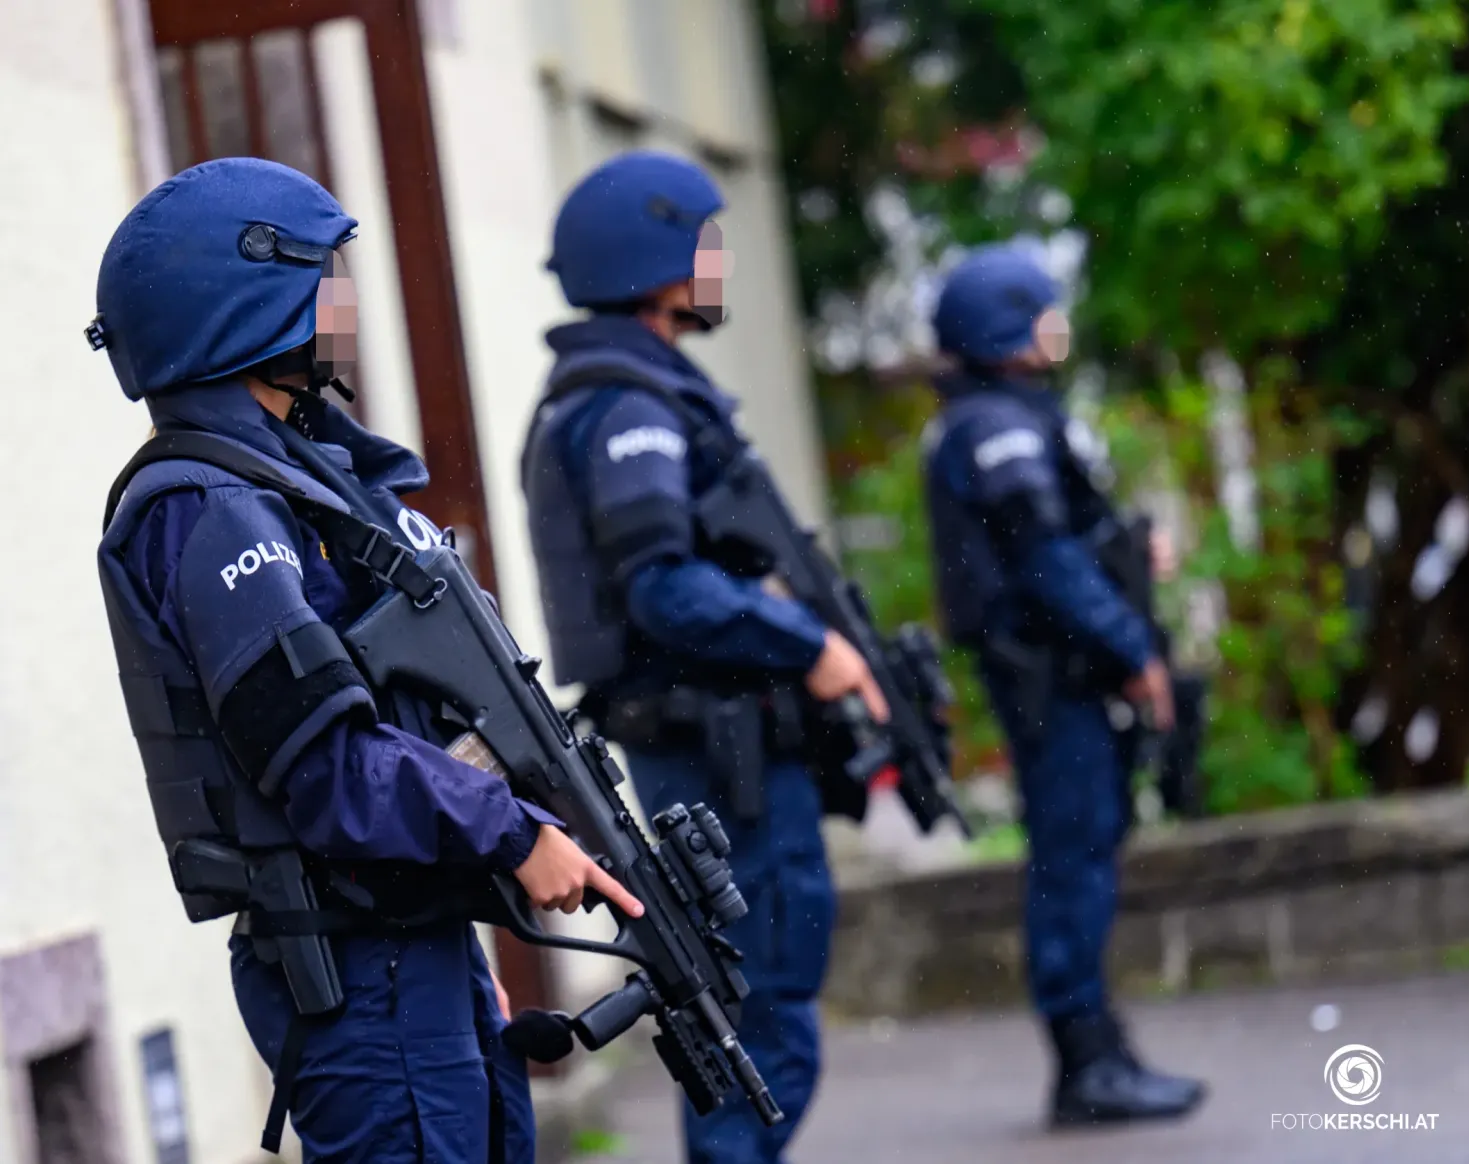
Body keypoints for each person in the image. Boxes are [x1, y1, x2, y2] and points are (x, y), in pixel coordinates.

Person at [91, 157, 643, 1164]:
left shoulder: (294, 479)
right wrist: (512, 833)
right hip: (359, 969)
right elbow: (327, 769)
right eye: (322, 277)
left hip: (407, 949)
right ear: (242, 303)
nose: (341, 303)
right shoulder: (212, 511)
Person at [522, 150, 887, 1164]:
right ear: (653, 264)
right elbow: (664, 588)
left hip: (720, 744)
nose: (717, 264)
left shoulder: (634, 393)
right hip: (718, 754)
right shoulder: (629, 406)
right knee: (758, 1014)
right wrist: (808, 644)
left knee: (756, 1008)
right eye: (704, 245)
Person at [921, 241, 1207, 1126]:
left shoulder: (1009, 415)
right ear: (1005, 323)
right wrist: (1132, 647)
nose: (1057, 322)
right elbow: (1043, 558)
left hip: (1066, 671)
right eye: (1041, 307)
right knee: (1071, 859)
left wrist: (1130, 554)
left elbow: (1063, 539)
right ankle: (1087, 1066)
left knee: (1083, 852)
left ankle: (1102, 1053)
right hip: (1051, 677)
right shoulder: (994, 426)